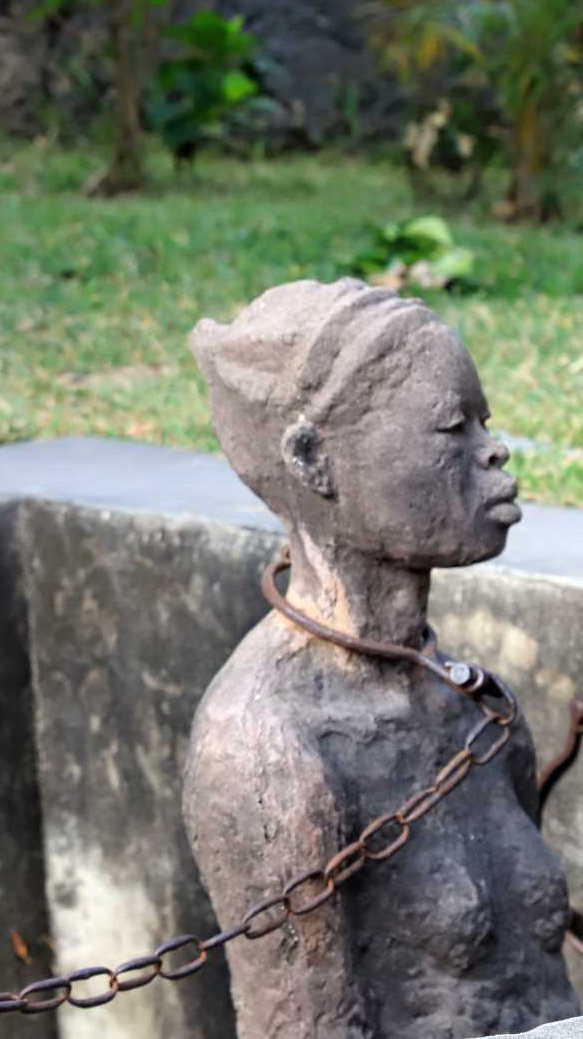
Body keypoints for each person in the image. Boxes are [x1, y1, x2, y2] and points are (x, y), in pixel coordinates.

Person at [183, 279, 578, 1038]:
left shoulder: (475, 705)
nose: (493, 449)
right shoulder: (267, 752)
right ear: (313, 460)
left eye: (484, 421)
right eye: (451, 427)